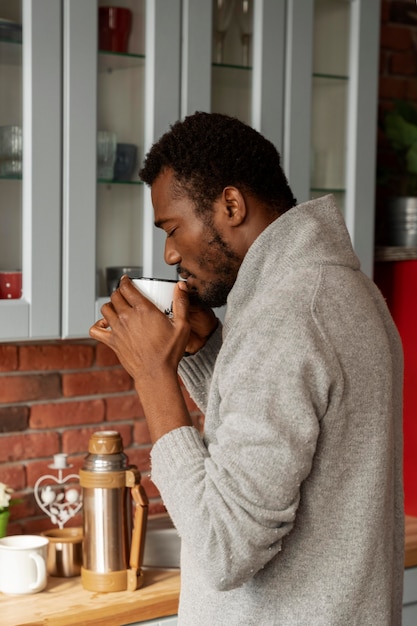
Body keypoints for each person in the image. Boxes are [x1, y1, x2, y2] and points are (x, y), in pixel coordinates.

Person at [90, 112, 404, 625]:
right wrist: (208, 347)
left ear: (231, 205)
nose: (169, 252)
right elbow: (288, 430)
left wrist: (153, 376)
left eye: (173, 228)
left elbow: (222, 548)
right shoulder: (336, 290)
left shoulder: (288, 317)